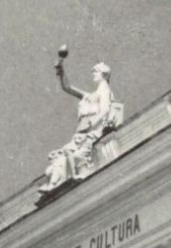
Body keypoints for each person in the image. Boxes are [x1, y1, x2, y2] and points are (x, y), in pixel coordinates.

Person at [39, 62, 119, 195]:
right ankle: (54, 184)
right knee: (61, 156)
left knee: (77, 155)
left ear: (104, 74)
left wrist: (92, 124)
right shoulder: (90, 95)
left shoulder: (105, 91)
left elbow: (105, 110)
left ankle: (75, 175)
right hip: (80, 134)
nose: (93, 73)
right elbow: (67, 87)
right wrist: (61, 72)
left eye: (96, 71)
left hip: (91, 131)